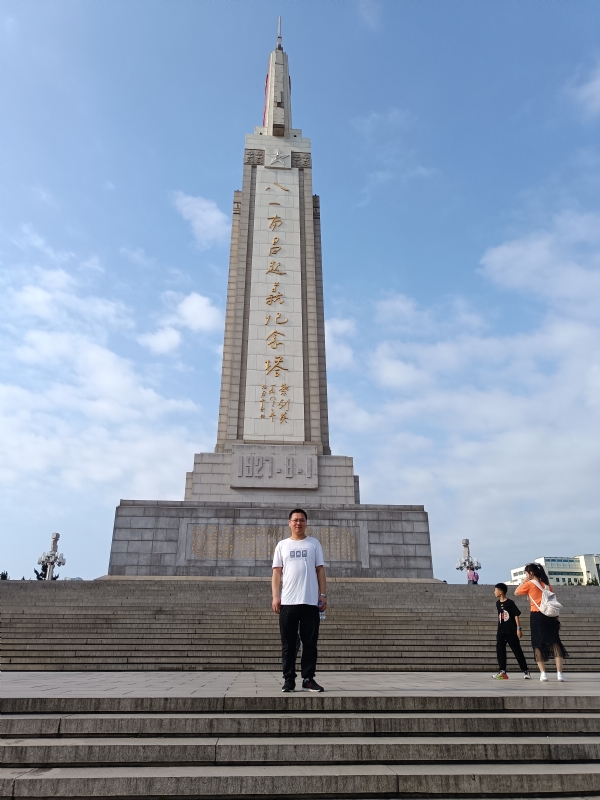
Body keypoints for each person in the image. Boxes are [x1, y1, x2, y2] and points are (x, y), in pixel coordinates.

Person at [272, 508, 327, 693]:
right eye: (295, 520)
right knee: (288, 644)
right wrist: (275, 596)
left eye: (302, 520)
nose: (298, 523)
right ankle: (289, 679)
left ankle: (308, 679)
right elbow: (276, 573)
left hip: (310, 601)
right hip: (288, 602)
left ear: (306, 523)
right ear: (289, 523)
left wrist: (323, 594)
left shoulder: (313, 544)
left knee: (310, 643)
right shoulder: (282, 545)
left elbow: (320, 570)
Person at [515, 562, 568, 682]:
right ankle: (559, 674)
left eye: (526, 573)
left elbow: (516, 592)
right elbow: (553, 602)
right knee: (555, 643)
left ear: (531, 573)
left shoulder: (528, 584)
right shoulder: (547, 584)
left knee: (537, 644)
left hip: (536, 615)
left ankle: (543, 673)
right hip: (550, 616)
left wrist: (524, 581)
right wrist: (557, 619)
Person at [491, 583, 530, 680]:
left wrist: (518, 628)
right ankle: (502, 672)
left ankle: (525, 670)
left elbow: (516, 615)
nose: (494, 592)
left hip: (511, 630)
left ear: (501, 592)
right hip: (501, 631)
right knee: (500, 651)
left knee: (517, 650)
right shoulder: (497, 603)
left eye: (495, 590)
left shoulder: (510, 603)